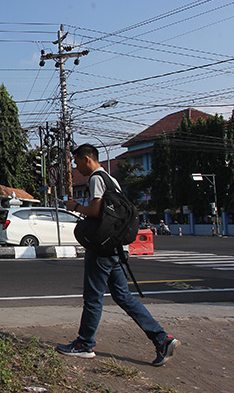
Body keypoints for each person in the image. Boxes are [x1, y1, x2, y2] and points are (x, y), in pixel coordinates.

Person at [58, 143, 180, 366]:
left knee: (93, 298)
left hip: (101, 249)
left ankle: (85, 344)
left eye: (77, 162)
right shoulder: (111, 179)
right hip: (114, 247)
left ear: (87, 159)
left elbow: (95, 210)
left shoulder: (96, 178)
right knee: (123, 296)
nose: (77, 168)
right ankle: (161, 338)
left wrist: (75, 206)